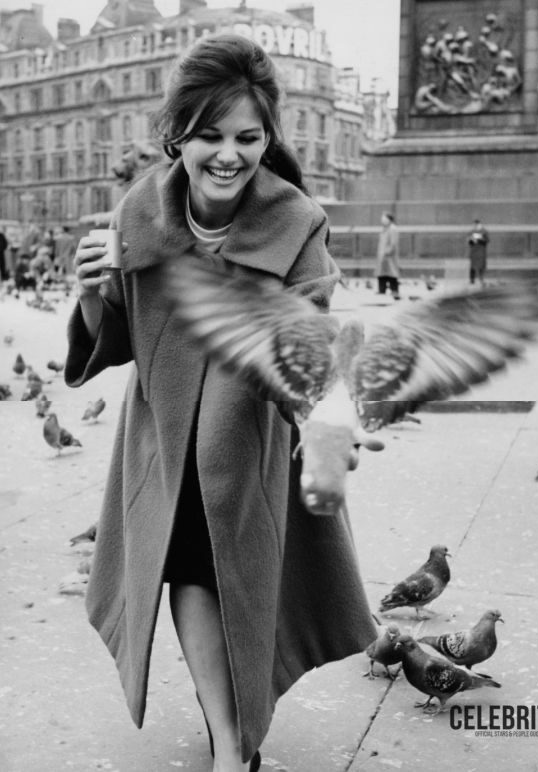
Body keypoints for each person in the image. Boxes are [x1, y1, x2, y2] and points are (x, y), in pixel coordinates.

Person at [65, 34, 375, 772]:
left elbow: (309, 330)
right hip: (166, 443)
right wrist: (87, 293)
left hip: (246, 440)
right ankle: (231, 743)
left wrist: (330, 408)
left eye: (247, 136)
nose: (229, 155)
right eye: (210, 136)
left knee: (240, 581)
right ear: (177, 135)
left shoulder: (297, 221)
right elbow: (115, 335)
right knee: (188, 572)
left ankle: (238, 728)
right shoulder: (139, 210)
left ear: (269, 137)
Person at [375, 211, 401, 299]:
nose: (382, 220)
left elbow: (393, 243)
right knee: (382, 274)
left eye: (384, 218)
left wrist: (388, 252)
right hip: (383, 256)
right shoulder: (384, 228)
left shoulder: (393, 228)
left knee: (392, 274)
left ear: (389, 219)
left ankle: (394, 290)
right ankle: (382, 289)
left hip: (389, 256)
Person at [467, 218, 490, 285]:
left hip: (481, 251)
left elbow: (487, 241)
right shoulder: (471, 232)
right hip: (474, 251)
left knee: (481, 266)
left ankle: (481, 278)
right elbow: (469, 241)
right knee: (472, 266)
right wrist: (472, 240)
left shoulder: (484, 232)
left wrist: (480, 239)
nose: (476, 226)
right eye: (475, 225)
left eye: (477, 224)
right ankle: (472, 279)